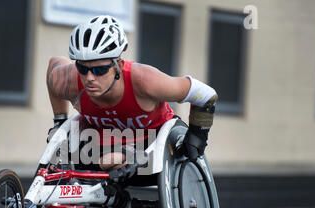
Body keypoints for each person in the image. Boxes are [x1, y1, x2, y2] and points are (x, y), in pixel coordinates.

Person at [46, 15, 217, 173]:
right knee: (58, 162)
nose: (90, 78)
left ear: (118, 65)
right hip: (102, 141)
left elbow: (206, 94)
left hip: (153, 142)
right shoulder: (68, 80)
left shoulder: (145, 80)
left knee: (109, 160)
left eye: (100, 70)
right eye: (83, 69)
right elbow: (54, 63)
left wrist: (197, 137)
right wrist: (58, 121)